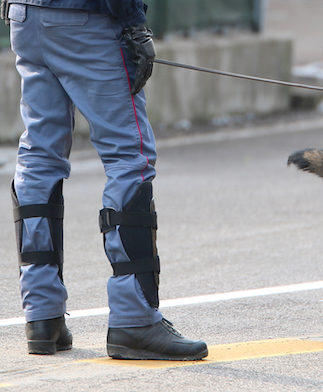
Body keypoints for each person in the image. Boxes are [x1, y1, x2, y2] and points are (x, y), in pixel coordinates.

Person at [2, 0, 208, 360]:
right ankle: (135, 320)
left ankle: (42, 316)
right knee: (130, 159)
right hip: (88, 20)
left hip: (25, 15)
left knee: (39, 156)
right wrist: (133, 23)